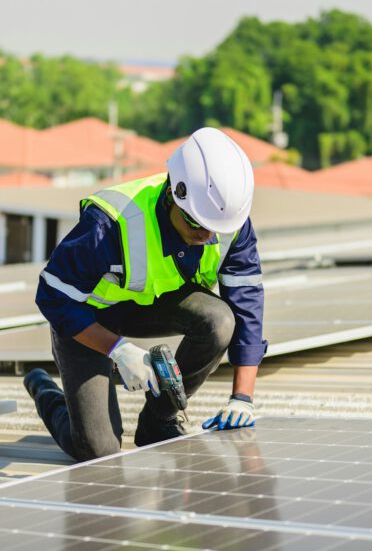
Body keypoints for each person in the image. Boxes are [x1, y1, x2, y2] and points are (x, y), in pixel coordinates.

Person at [24, 126, 267, 462]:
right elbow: (53, 296)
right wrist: (117, 349)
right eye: (195, 223)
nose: (205, 234)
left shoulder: (226, 218)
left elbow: (247, 305)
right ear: (172, 193)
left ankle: (158, 421)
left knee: (220, 321)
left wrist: (243, 397)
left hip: (152, 307)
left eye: (213, 227)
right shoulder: (109, 223)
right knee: (98, 451)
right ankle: (44, 389)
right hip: (89, 316)